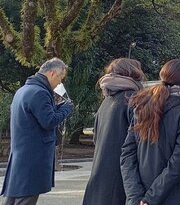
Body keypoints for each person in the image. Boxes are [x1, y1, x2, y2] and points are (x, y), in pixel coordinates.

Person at [121, 59, 180, 205]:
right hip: (176, 194)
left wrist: (136, 197)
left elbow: (127, 155)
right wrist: (149, 199)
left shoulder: (142, 107)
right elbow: (179, 161)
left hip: (142, 193)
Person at [1, 58, 73, 205]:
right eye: (60, 78)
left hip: (22, 155)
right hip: (33, 158)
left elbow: (42, 115)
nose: (60, 83)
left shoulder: (24, 90)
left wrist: (57, 108)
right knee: (26, 199)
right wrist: (67, 108)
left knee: (14, 199)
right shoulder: (39, 93)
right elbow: (49, 121)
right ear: (52, 73)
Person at [83, 58, 145, 205]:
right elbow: (140, 141)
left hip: (99, 172)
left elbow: (96, 137)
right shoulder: (133, 99)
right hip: (122, 175)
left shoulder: (106, 101)